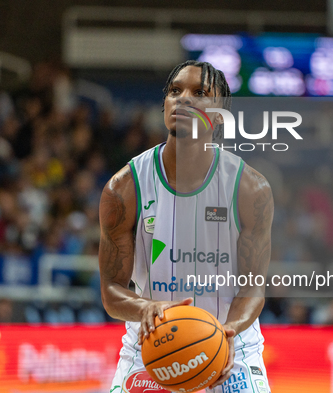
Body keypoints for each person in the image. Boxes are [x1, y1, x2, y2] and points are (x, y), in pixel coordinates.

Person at [100, 60, 273, 391]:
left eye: (200, 93)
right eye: (175, 91)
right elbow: (111, 291)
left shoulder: (251, 189)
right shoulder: (123, 189)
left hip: (233, 345)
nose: (183, 99)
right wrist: (147, 307)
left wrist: (228, 332)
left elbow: (252, 288)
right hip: (155, 346)